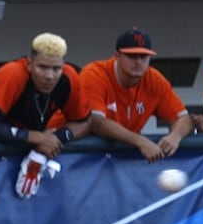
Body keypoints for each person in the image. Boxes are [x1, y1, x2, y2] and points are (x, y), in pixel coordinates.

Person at [0, 32, 92, 161]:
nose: (49, 76)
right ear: (30, 64)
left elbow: (83, 122)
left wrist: (55, 139)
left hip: (23, 145)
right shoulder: (12, 74)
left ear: (63, 65)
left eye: (56, 69)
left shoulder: (69, 77)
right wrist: (35, 137)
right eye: (42, 67)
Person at [80, 27, 194, 161]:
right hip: (73, 154)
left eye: (143, 56)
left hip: (115, 158)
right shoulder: (94, 74)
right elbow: (96, 123)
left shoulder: (154, 79)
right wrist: (140, 141)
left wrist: (175, 136)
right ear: (117, 56)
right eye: (132, 56)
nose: (138, 62)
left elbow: (184, 119)